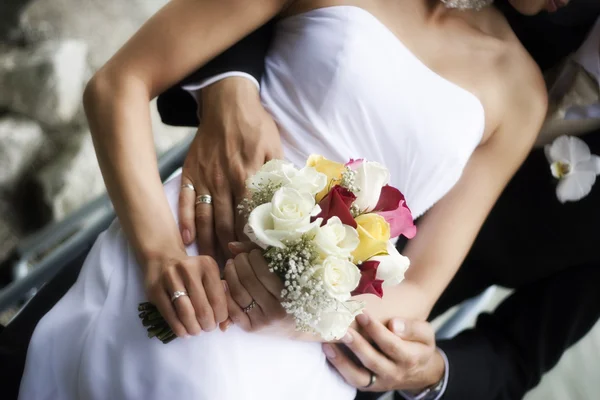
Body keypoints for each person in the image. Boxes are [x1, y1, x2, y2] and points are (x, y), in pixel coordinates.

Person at [17, 0, 551, 398]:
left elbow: (417, 286)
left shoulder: (523, 96)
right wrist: (160, 256)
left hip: (306, 343)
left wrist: (307, 308)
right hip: (187, 257)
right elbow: (117, 84)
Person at [155, 1, 600, 399]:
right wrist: (227, 85)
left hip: (352, 339)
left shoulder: (518, 86)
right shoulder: (568, 13)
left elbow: (514, 353)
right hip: (202, 208)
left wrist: (423, 370)